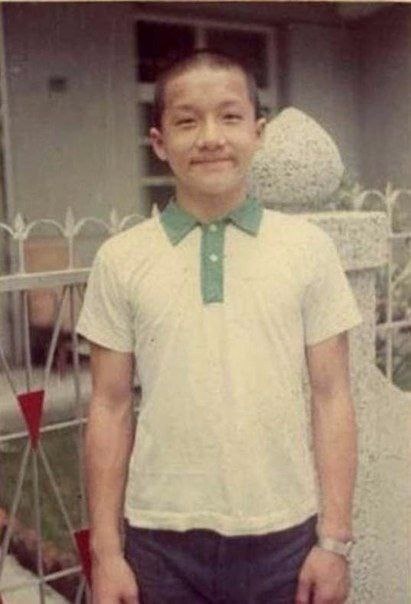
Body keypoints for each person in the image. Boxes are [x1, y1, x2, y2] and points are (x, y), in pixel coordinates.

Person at [76, 49, 362, 604]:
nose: (210, 137)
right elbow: (109, 407)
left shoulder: (307, 250)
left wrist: (334, 542)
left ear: (259, 133)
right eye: (187, 121)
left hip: (284, 537)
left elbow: (332, 396)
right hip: (159, 542)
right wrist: (106, 554)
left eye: (230, 117)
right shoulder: (121, 259)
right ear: (159, 142)